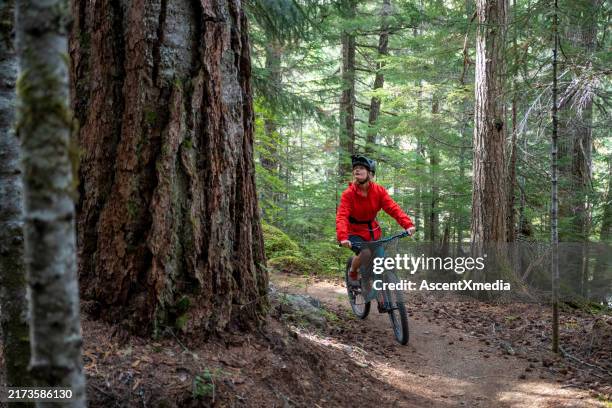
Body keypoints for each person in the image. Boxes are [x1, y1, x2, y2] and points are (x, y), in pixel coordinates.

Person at [336, 155, 416, 289]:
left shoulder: (379, 191)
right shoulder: (348, 194)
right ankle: (353, 272)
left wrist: (408, 224)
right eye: (355, 168)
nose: (357, 170)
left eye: (361, 168)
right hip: (353, 231)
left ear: (370, 174)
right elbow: (342, 216)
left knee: (381, 256)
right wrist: (343, 237)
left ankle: (378, 284)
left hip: (372, 230)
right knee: (365, 253)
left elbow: (393, 208)